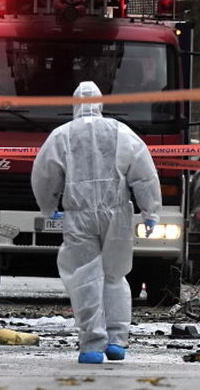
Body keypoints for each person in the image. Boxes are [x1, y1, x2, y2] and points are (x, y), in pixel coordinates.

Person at [31, 81, 161, 364]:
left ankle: (91, 345)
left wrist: (49, 207)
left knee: (85, 276)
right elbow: (144, 174)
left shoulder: (62, 135)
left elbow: (44, 174)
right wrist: (150, 212)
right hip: (117, 215)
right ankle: (117, 341)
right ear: (101, 103)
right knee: (115, 276)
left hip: (79, 216)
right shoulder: (121, 131)